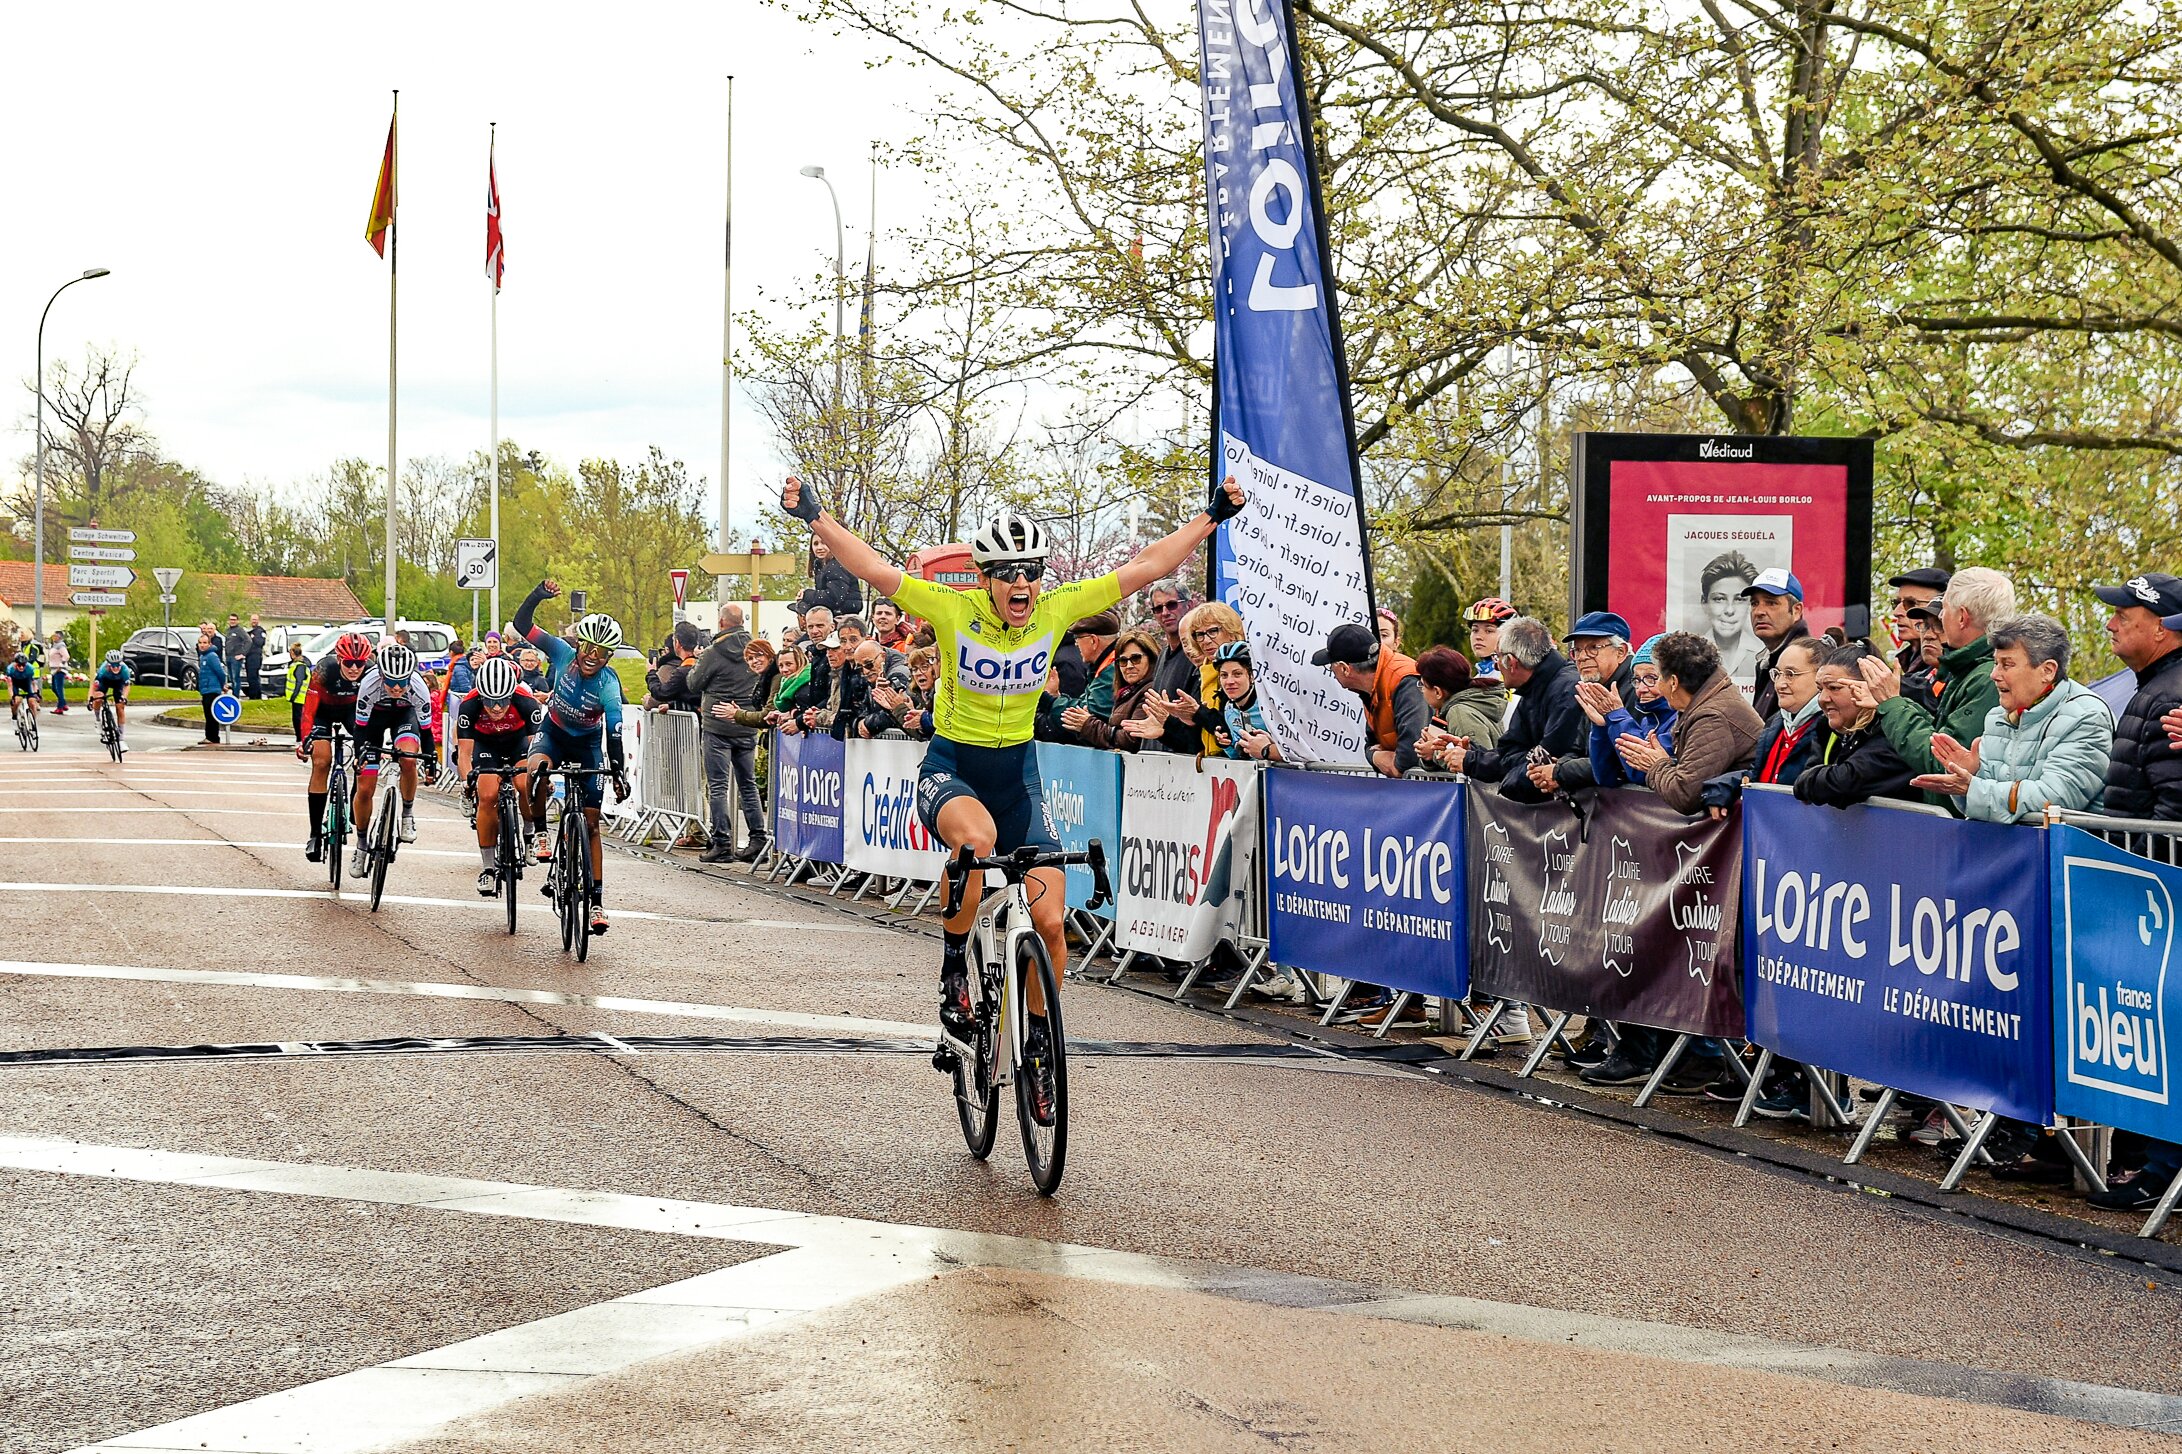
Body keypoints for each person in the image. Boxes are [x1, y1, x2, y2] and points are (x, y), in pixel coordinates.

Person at [779, 470, 1245, 1081]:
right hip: (953, 765)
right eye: (1010, 573)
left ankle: (1044, 1048)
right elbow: (873, 568)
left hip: (1019, 772)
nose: (1023, 583)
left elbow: (1147, 567)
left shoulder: (1058, 607)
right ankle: (953, 972)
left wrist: (1210, 516)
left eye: (1032, 571)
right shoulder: (951, 608)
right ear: (986, 578)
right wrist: (815, 514)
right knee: (975, 845)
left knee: (1051, 920)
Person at [2092, 578, 2182, 1209]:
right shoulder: (2152, 690)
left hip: (2159, 892)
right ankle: (2152, 1160)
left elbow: (2173, 809)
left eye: (2127, 613)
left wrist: (2139, 870)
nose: (2112, 622)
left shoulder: (2172, 693)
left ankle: (2162, 1168)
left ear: (2166, 625)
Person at [514, 578, 631, 934]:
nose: (593, 658)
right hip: (553, 734)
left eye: (603, 653)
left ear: (610, 656)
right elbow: (522, 626)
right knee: (535, 771)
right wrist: (536, 594)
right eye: (589, 648)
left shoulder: (609, 685)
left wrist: (618, 772)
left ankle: (596, 902)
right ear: (579, 644)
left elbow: (614, 732)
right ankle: (538, 833)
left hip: (587, 744)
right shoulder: (562, 653)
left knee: (591, 823)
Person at [1857, 566, 2014, 810]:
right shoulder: (1965, 670)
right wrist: (1893, 703)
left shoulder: (1985, 678)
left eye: (1944, 611)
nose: (1937, 621)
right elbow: (1939, 733)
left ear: (1961, 617)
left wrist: (1892, 704)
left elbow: (1942, 762)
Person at [1425, 617, 1585, 802]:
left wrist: (1474, 762)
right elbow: (1511, 752)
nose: (1495, 665)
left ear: (1512, 662)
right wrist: (1474, 754)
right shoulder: (1535, 688)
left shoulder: (1565, 692)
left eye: (1497, 657)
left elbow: (1540, 764)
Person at [1610, 631, 1764, 816]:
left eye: (1656, 678)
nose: (1648, 688)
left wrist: (1656, 765)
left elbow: (1686, 795)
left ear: (1673, 682)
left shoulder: (1710, 718)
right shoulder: (1706, 701)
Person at [456, 655, 546, 895]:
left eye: (503, 701)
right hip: (486, 748)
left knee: (525, 783)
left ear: (512, 694)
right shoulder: (469, 705)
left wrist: (539, 777)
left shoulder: (527, 702)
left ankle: (529, 833)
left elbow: (537, 749)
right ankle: (487, 868)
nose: (496, 708)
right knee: (486, 796)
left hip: (518, 744)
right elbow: (464, 753)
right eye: (490, 701)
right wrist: (466, 783)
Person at [348, 639, 437, 876]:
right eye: (391, 683)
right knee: (364, 787)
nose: (397, 688)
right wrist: (361, 755)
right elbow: (360, 728)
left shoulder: (418, 688)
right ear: (381, 676)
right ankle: (361, 844)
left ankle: (407, 813)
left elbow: (427, 733)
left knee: (408, 758)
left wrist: (430, 762)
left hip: (403, 717)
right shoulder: (369, 684)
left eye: (402, 683)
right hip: (374, 723)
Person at [1792, 644, 1919, 808]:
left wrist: (1811, 782)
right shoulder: (1827, 727)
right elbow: (1809, 776)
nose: (1823, 698)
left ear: (1870, 686)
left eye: (1834, 688)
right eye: (1819, 689)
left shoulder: (1894, 729)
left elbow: (1844, 783)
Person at [692, 605, 769, 863]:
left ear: (722, 622)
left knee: (718, 786)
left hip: (717, 726)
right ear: (742, 621)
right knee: (748, 785)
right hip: (745, 722)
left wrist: (699, 660)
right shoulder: (754, 650)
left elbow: (694, 683)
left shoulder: (713, 652)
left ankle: (722, 841)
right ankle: (757, 838)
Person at [1533, 612, 1635, 795]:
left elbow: (1620, 761)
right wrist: (1557, 768)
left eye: (1593, 647)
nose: (1582, 657)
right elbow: (1579, 748)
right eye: (1577, 650)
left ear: (1621, 652)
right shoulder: (1593, 687)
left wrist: (1559, 772)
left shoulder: (1638, 689)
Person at [296, 632, 375, 860]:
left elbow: (373, 712)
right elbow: (308, 710)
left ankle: (354, 803)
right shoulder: (324, 669)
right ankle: (314, 835)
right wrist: (305, 740)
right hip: (323, 712)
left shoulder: (370, 671)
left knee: (366, 754)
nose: (354, 668)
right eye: (349, 663)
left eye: (359, 663)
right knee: (322, 762)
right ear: (339, 659)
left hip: (352, 712)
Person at [1312, 621, 1424, 777]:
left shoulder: (1404, 681)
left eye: (1331, 666)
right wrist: (1376, 756)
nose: (1331, 670)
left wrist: (1389, 761)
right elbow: (1370, 746)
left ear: (1345, 669)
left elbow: (1410, 759)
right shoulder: (1370, 689)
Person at [1584, 634, 1677, 789]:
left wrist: (1617, 715)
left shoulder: (1680, 721)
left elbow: (1641, 773)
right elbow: (1605, 776)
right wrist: (1601, 727)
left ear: (1673, 680)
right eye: (1637, 680)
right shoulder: (1648, 719)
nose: (1641, 689)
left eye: (1651, 678)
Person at [1741, 568, 1810, 719]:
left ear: (1797, 610)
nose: (1759, 611)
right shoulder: (1767, 660)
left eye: (1771, 603)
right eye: (1754, 603)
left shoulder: (1808, 662)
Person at [1078, 629, 1162, 751]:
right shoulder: (1126, 692)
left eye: (1136, 658)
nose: (1129, 666)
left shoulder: (1150, 691)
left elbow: (1131, 739)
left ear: (1151, 659)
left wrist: (1088, 725)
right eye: (1123, 661)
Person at [1143, 585, 1201, 754]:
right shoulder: (1162, 655)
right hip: (1159, 759)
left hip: (1187, 761)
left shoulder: (1199, 655)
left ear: (1189, 605)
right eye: (1158, 608)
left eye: (1172, 605)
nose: (1165, 613)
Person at [1047, 612, 1119, 743]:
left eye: (1078, 638)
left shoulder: (1111, 670)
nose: (1076, 644)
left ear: (1093, 640)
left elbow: (1086, 710)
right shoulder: (1103, 666)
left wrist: (1048, 700)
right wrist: (1056, 697)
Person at [1885, 568, 1950, 711]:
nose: (1897, 612)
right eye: (1896, 603)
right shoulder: (1908, 662)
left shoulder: (1952, 669)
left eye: (1911, 604)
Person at [1415, 646, 1504, 749]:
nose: (1422, 690)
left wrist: (1434, 753)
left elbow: (1478, 761)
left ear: (1437, 692)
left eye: (1423, 685)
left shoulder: (1460, 714)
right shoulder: (1476, 701)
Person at [1695, 550, 1762, 687]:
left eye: (1739, 600)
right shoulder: (1690, 655)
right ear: (1704, 603)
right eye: (1719, 599)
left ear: (1751, 604)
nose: (1729, 610)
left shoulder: (1763, 654)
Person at [1211, 641, 1280, 760]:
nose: (1229, 681)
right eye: (1224, 675)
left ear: (1252, 676)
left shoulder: (1271, 705)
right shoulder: (1229, 709)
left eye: (1237, 674)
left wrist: (1269, 748)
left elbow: (1297, 752)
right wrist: (1226, 745)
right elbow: (1239, 757)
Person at [86, 650, 134, 751]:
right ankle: (98, 720)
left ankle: (121, 740)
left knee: (120, 707)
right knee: (98, 698)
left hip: (119, 684)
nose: (116, 668)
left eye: (118, 665)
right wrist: (90, 699)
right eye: (113, 665)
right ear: (108, 665)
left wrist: (124, 698)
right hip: (105, 682)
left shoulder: (125, 670)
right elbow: (94, 687)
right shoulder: (103, 671)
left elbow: (126, 686)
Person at [1464, 598, 1517, 686]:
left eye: (1489, 631)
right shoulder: (1477, 678)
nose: (1478, 637)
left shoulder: (1514, 679)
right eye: (1475, 630)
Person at [196, 627, 228, 744]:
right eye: (200, 643)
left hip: (212, 689)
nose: (202, 645)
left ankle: (213, 737)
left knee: (211, 715)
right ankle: (209, 736)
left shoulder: (212, 656)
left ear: (209, 644)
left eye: (205, 643)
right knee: (207, 714)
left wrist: (221, 685)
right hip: (205, 689)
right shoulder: (202, 656)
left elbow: (220, 672)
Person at [284, 641, 311, 740]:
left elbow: (299, 682)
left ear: (292, 653)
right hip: (299, 698)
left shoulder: (299, 666)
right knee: (297, 720)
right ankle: (300, 738)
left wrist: (293, 696)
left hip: (300, 698)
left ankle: (300, 738)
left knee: (298, 720)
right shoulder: (299, 665)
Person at [5, 652, 37, 725]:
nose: (21, 667)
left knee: (32, 701)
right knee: (17, 701)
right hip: (15, 683)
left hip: (26, 682)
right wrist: (12, 697)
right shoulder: (10, 669)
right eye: (19, 665)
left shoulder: (30, 668)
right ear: (15, 664)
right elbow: (10, 685)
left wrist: (36, 693)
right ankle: (14, 716)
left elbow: (33, 683)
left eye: (23, 665)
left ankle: (33, 721)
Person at [45, 631, 70, 713]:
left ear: (59, 637)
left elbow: (66, 656)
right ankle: (63, 703)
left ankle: (60, 707)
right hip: (54, 670)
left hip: (59, 670)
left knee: (58, 688)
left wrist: (61, 665)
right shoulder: (54, 646)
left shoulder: (61, 646)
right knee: (54, 688)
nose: (53, 637)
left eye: (55, 636)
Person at [244, 614, 267, 699]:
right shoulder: (249, 631)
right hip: (248, 657)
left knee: (253, 677)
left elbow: (261, 643)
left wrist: (253, 638)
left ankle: (255, 696)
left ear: (258, 621)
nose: (254, 621)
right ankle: (254, 695)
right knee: (250, 677)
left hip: (255, 657)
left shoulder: (260, 631)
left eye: (255, 619)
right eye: (252, 619)